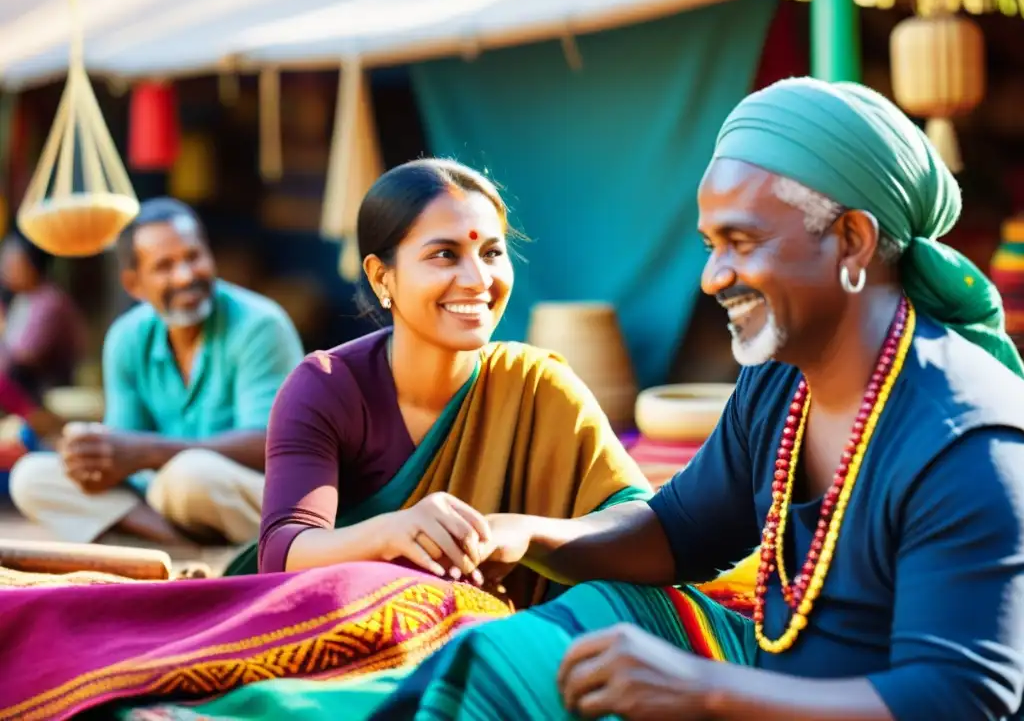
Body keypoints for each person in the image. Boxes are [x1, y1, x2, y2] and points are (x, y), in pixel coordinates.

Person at [144, 77, 1024, 721]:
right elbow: (680, 531)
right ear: (381, 278)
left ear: (853, 241)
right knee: (497, 652)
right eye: (708, 243)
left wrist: (706, 692)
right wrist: (531, 535)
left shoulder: (967, 437)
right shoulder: (777, 385)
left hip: (812, 699)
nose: (713, 275)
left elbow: (957, 698)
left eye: (740, 242)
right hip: (775, 675)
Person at [224, 158, 653, 610]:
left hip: (506, 635)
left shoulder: (536, 386)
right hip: (347, 623)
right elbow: (283, 553)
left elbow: (641, 523)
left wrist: (527, 532)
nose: (478, 280)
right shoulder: (326, 389)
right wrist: (393, 531)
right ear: (380, 276)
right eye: (444, 254)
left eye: (491, 252)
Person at [8, 198, 305, 547]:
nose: (185, 276)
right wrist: (94, 457)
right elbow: (125, 449)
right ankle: (190, 549)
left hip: (244, 497)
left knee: (188, 476)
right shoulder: (127, 338)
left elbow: (272, 446)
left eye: (194, 257)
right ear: (134, 284)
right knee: (31, 478)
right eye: (164, 266)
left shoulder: (260, 325)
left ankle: (172, 550)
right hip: (164, 502)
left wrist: (149, 452)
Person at [0, 230, 86, 440]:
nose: (5, 269)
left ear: (32, 264)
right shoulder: (24, 299)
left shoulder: (49, 302)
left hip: (42, 398)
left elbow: (24, 356)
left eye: (11, 262)